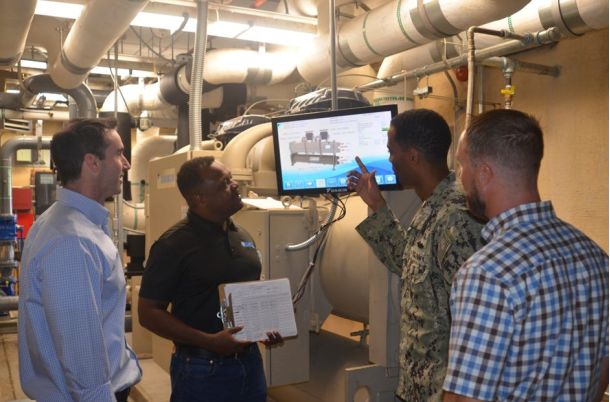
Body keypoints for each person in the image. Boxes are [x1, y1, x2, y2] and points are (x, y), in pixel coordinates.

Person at [443, 109, 609, 402]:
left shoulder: (486, 274)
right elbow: (602, 365)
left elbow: (465, 399)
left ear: (484, 173)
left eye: (461, 165)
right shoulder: (597, 258)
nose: (460, 178)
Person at [347, 108, 484, 402]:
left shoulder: (457, 219)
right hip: (417, 387)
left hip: (443, 392)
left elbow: (476, 325)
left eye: (391, 151)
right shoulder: (431, 208)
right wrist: (377, 205)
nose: (389, 160)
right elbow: (409, 264)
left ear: (412, 156)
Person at [138, 156, 281, 402]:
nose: (234, 185)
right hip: (202, 370)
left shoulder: (241, 235)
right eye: (224, 183)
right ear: (199, 198)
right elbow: (148, 313)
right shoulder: (173, 244)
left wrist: (263, 327)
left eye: (231, 178)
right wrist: (210, 342)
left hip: (250, 363)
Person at [18, 118, 140, 401]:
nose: (126, 164)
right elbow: (80, 354)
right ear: (92, 162)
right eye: (118, 153)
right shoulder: (72, 240)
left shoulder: (68, 223)